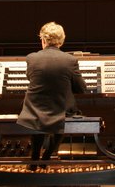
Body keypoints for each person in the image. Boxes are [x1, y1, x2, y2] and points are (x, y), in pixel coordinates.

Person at [17, 21, 87, 169]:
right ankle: (47, 156)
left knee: (39, 113)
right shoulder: (70, 60)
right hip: (60, 110)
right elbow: (81, 88)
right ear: (61, 41)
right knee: (64, 110)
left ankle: (34, 156)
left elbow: (31, 78)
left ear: (43, 40)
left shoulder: (31, 58)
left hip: (33, 110)